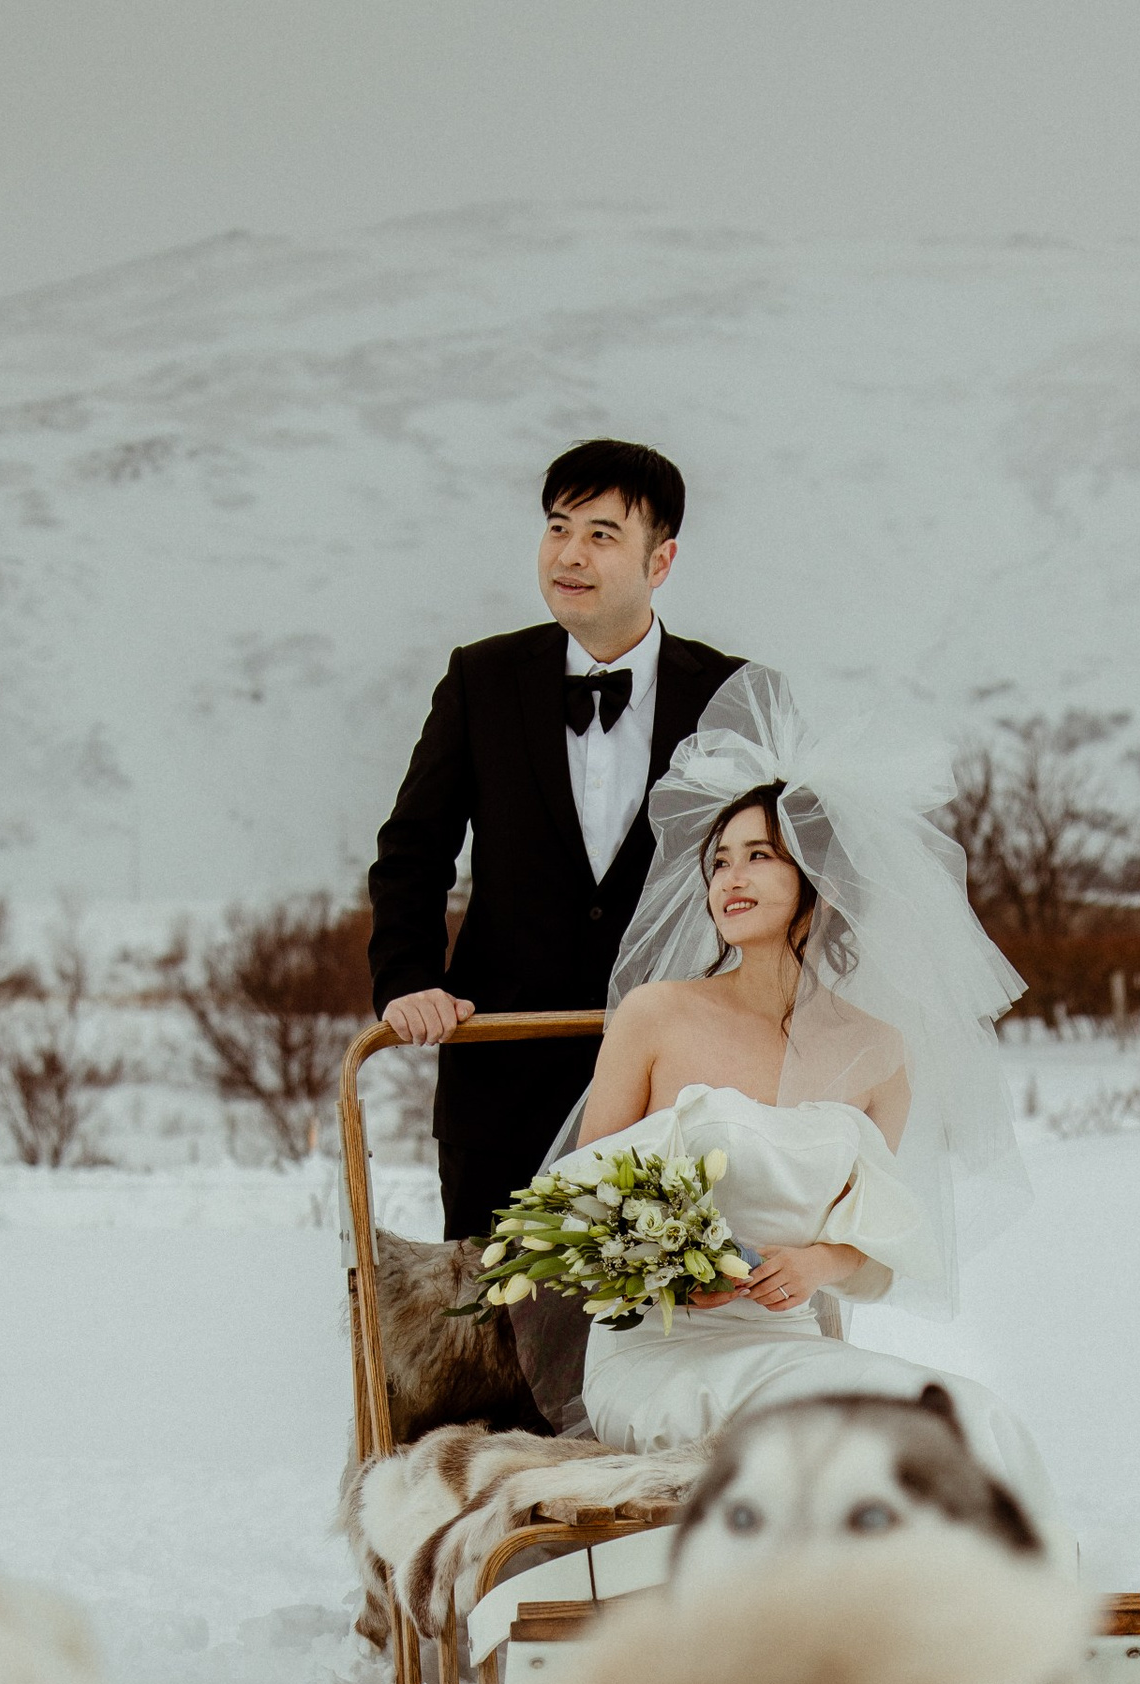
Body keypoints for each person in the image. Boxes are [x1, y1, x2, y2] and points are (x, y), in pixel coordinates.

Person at [540, 668, 1066, 1542]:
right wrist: (679, 1267)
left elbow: (876, 1240)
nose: (729, 878)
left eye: (760, 855)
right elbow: (580, 1213)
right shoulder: (656, 1017)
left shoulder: (879, 1053)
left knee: (975, 1417)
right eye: (718, 861)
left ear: (818, 879)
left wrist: (819, 1265)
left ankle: (1014, 1635)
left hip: (793, 1342)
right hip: (662, 1353)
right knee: (848, 1417)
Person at [367, 439, 744, 1423]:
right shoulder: (481, 680)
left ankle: (636, 1557)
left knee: (663, 1331)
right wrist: (409, 978)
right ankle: (489, 1557)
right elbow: (411, 851)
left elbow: (768, 873)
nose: (568, 554)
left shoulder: (729, 695)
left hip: (672, 1084)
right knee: (491, 1346)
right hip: (503, 1074)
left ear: (660, 559)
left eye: (601, 534)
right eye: (556, 528)